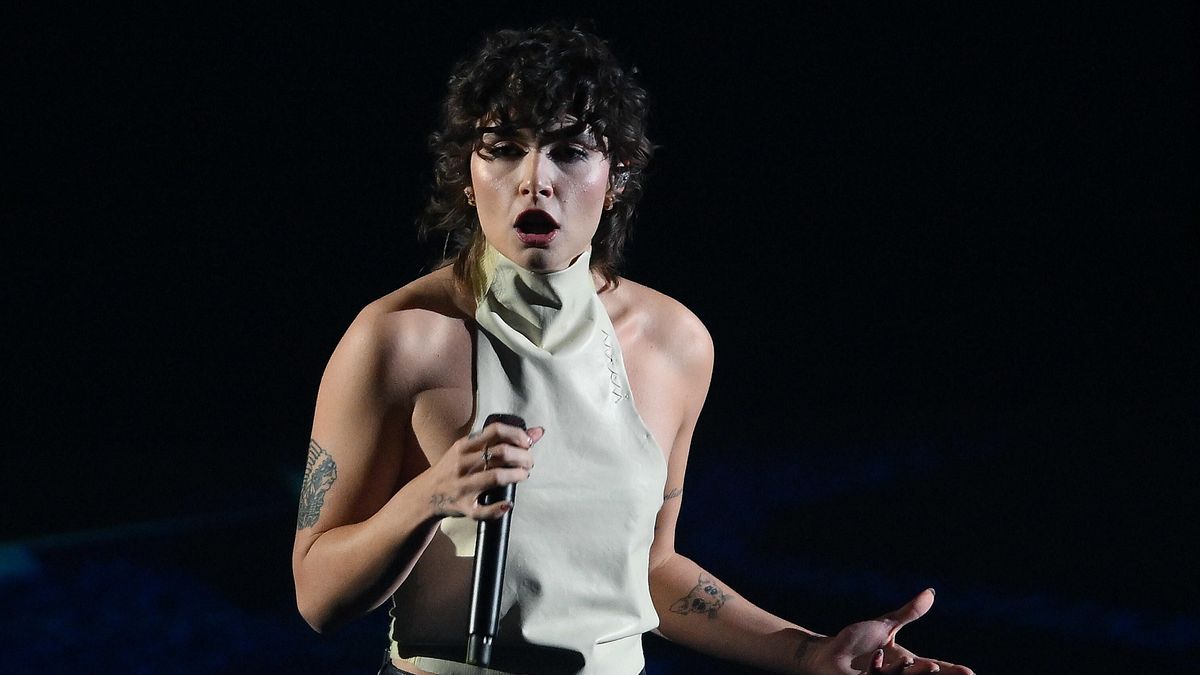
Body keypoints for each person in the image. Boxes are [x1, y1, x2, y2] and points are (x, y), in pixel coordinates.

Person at [292, 23, 974, 675]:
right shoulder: (398, 338)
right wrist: (428, 497)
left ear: (615, 176)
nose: (535, 179)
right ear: (467, 177)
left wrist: (809, 654)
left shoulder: (675, 342)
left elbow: (652, 569)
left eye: (570, 151)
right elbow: (318, 597)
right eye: (502, 148)